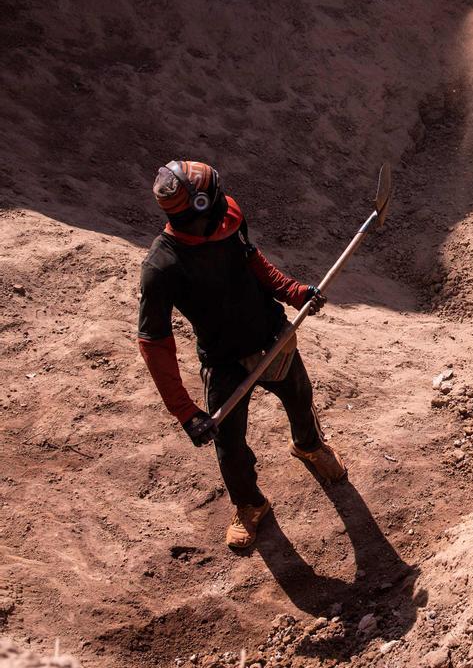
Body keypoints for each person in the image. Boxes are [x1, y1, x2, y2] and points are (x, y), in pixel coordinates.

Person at [137, 160, 347, 549]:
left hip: (271, 336)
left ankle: (309, 445)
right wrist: (185, 411)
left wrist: (294, 291)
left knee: (300, 399)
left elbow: (254, 263)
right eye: (216, 196)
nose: (224, 202)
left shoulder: (227, 221)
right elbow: (154, 343)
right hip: (223, 360)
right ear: (200, 206)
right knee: (229, 444)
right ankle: (249, 504)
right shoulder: (162, 267)